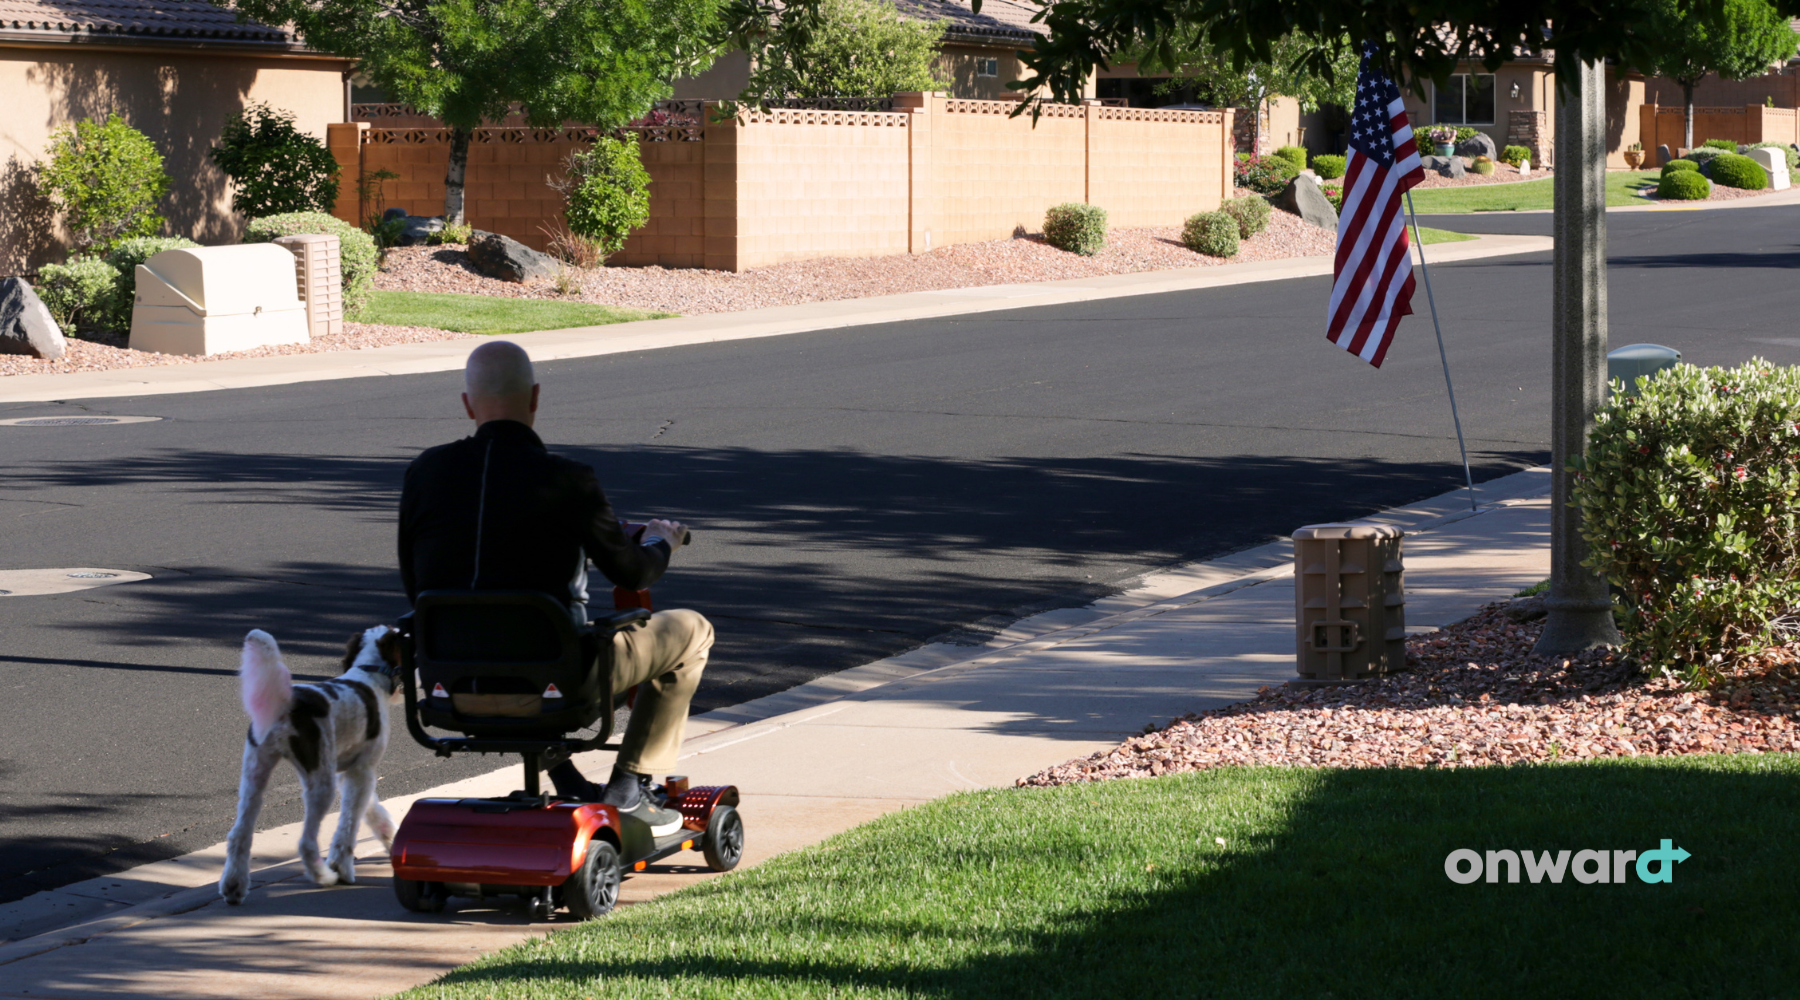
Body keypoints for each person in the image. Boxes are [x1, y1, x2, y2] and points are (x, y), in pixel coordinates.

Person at [398, 340, 712, 835]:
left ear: (466, 403)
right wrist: (660, 541)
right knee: (693, 631)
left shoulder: (424, 473)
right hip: (559, 685)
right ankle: (629, 788)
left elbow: (415, 585)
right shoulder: (569, 480)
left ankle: (564, 775)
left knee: (510, 632)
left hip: (451, 688)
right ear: (536, 398)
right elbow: (632, 573)